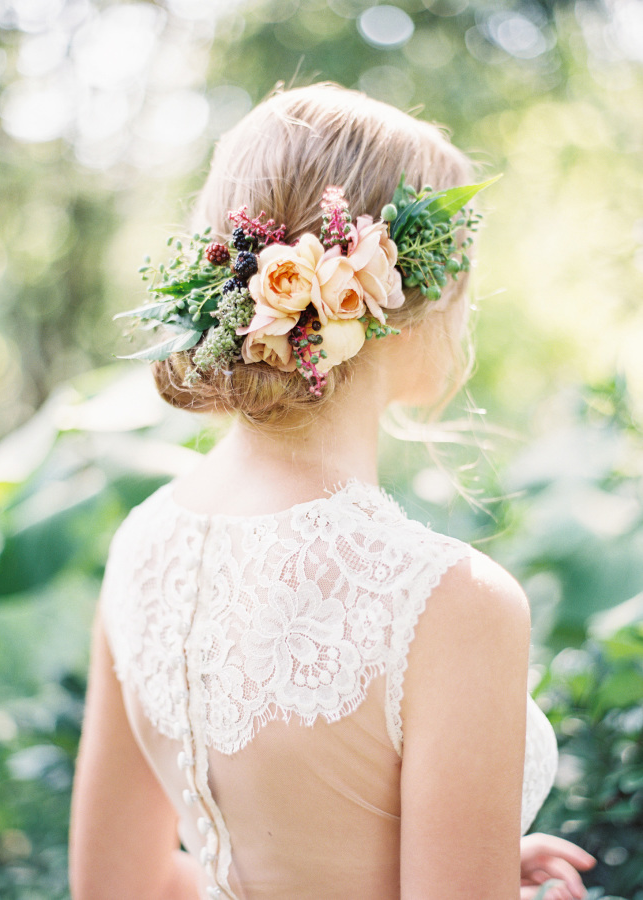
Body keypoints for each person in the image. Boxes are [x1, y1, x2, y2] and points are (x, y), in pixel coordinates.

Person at [69, 84, 596, 900]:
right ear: (406, 296)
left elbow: (118, 886)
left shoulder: (142, 542)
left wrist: (471, 862)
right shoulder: (453, 602)